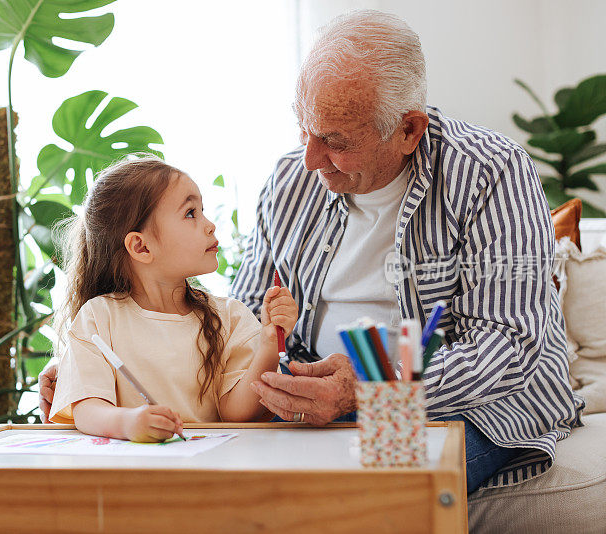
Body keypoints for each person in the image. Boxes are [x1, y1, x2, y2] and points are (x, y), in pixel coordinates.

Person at [42, 10, 583, 492]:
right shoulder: (289, 180)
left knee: (362, 500)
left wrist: (372, 387)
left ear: (409, 130)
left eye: (336, 140)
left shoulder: (490, 172)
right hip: (310, 403)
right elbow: (244, 322)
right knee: (222, 489)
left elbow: (511, 341)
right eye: (304, 128)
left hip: (459, 407)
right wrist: (92, 381)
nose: (309, 158)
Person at [46, 156, 298, 442]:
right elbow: (87, 408)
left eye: (202, 210)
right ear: (141, 246)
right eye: (191, 213)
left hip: (210, 471)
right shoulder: (99, 317)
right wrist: (129, 423)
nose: (210, 225)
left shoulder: (232, 317)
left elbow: (237, 412)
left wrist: (267, 344)